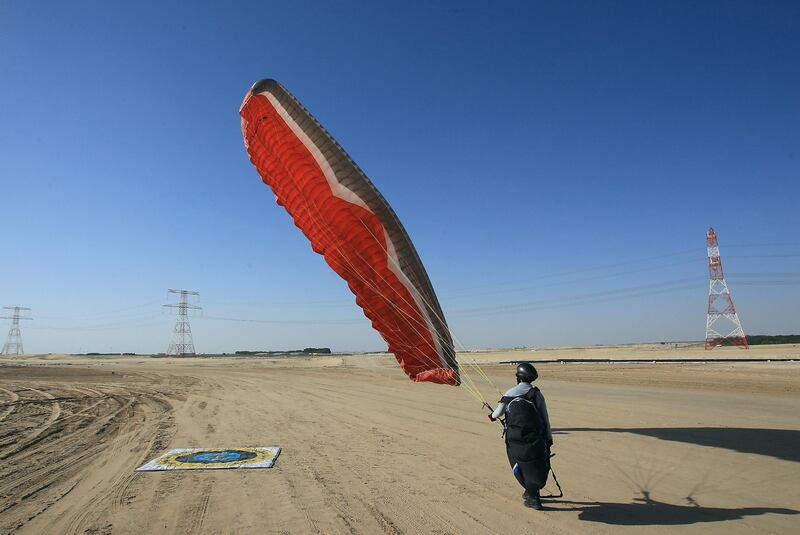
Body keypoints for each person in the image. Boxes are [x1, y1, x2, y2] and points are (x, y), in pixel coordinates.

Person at [488, 362, 553, 510]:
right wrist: (549, 438)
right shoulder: (536, 394)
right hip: (537, 438)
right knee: (537, 463)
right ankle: (532, 492)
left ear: (518, 377)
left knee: (519, 462)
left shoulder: (510, 392)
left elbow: (497, 414)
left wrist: (491, 416)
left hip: (514, 439)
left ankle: (532, 495)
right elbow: (545, 417)